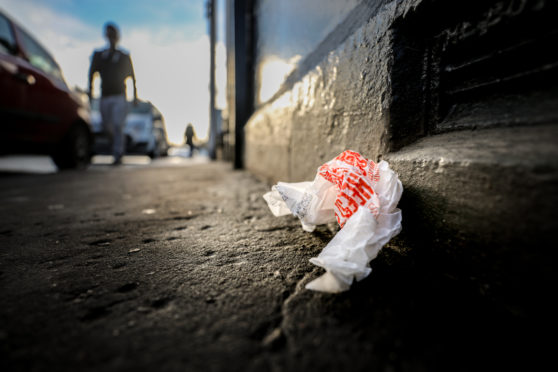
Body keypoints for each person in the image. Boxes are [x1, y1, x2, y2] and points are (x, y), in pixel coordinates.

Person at [88, 22, 137, 165]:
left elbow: (132, 77)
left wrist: (134, 95)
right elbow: (91, 74)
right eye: (109, 34)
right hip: (105, 95)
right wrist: (90, 92)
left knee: (117, 125)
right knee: (106, 125)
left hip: (119, 96)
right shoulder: (99, 55)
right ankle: (116, 146)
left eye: (113, 34)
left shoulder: (123, 56)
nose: (111, 37)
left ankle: (118, 153)